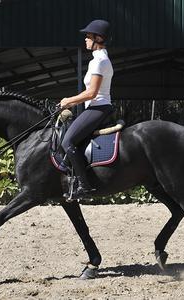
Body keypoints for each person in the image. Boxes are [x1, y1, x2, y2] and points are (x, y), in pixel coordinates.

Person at [60, 19, 114, 198]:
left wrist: (70, 101)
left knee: (67, 142)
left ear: (98, 38)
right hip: (94, 107)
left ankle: (84, 186)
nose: (85, 40)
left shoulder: (100, 61)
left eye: (88, 36)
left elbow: (91, 93)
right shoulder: (96, 60)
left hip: (99, 107)